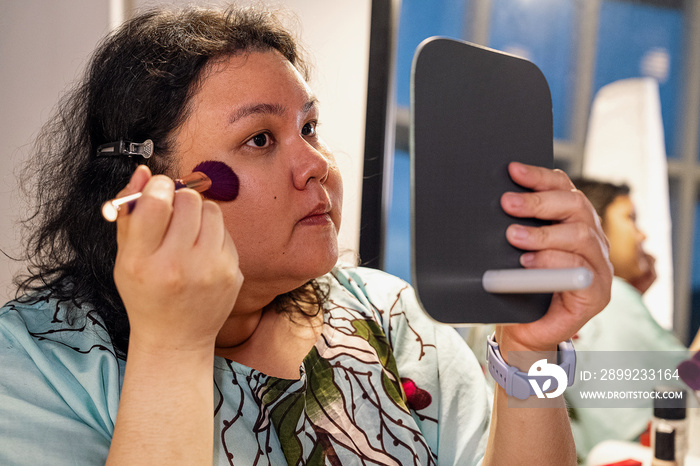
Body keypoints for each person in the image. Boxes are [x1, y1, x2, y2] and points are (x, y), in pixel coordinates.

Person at [0, 5, 612, 465]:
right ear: (154, 186)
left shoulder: (394, 320)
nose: (317, 163)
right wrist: (174, 343)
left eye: (310, 126)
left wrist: (533, 352)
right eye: (260, 139)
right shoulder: (37, 364)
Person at [567, 178, 699, 459]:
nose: (642, 236)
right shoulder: (613, 296)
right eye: (630, 219)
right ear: (594, 229)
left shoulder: (559, 298)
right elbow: (689, 387)